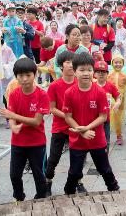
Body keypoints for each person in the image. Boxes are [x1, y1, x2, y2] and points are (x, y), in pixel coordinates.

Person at [62, 52, 119, 194]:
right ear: (74, 72)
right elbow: (68, 116)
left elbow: (103, 116)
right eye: (81, 70)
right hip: (77, 141)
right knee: (74, 172)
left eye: (89, 70)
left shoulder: (99, 92)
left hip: (97, 139)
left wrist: (87, 128)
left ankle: (115, 190)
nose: (86, 73)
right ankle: (67, 193)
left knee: (105, 169)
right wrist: (82, 131)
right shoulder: (69, 93)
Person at [0, 58, 50, 201]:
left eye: (28, 75)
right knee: (14, 175)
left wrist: (13, 116)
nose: (25, 79)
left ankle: (41, 197)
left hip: (37, 143)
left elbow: (36, 121)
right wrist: (13, 125)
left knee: (39, 174)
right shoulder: (14, 94)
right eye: (21, 76)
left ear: (35, 74)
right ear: (16, 77)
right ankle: (19, 197)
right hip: (18, 143)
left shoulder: (42, 95)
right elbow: (12, 115)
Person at [45, 51, 86, 196]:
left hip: (76, 127)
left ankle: (79, 182)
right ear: (61, 66)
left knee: (77, 158)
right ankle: (48, 181)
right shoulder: (55, 85)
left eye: (72, 62)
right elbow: (52, 109)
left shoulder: (80, 82)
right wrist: (67, 117)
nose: (70, 65)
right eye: (67, 62)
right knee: (53, 159)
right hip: (60, 128)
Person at [94, 60, 121, 151]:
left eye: (103, 72)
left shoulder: (110, 86)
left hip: (106, 119)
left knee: (106, 140)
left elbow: (118, 97)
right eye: (98, 71)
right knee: (90, 140)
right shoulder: (91, 85)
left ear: (107, 73)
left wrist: (117, 103)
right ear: (94, 74)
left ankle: (104, 158)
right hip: (92, 119)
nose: (101, 74)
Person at [107, 52, 126, 145]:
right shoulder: (109, 75)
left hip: (121, 100)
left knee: (118, 119)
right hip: (110, 99)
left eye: (120, 62)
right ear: (112, 63)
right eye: (116, 62)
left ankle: (119, 135)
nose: (118, 64)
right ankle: (105, 135)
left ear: (123, 64)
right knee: (107, 118)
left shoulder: (125, 76)